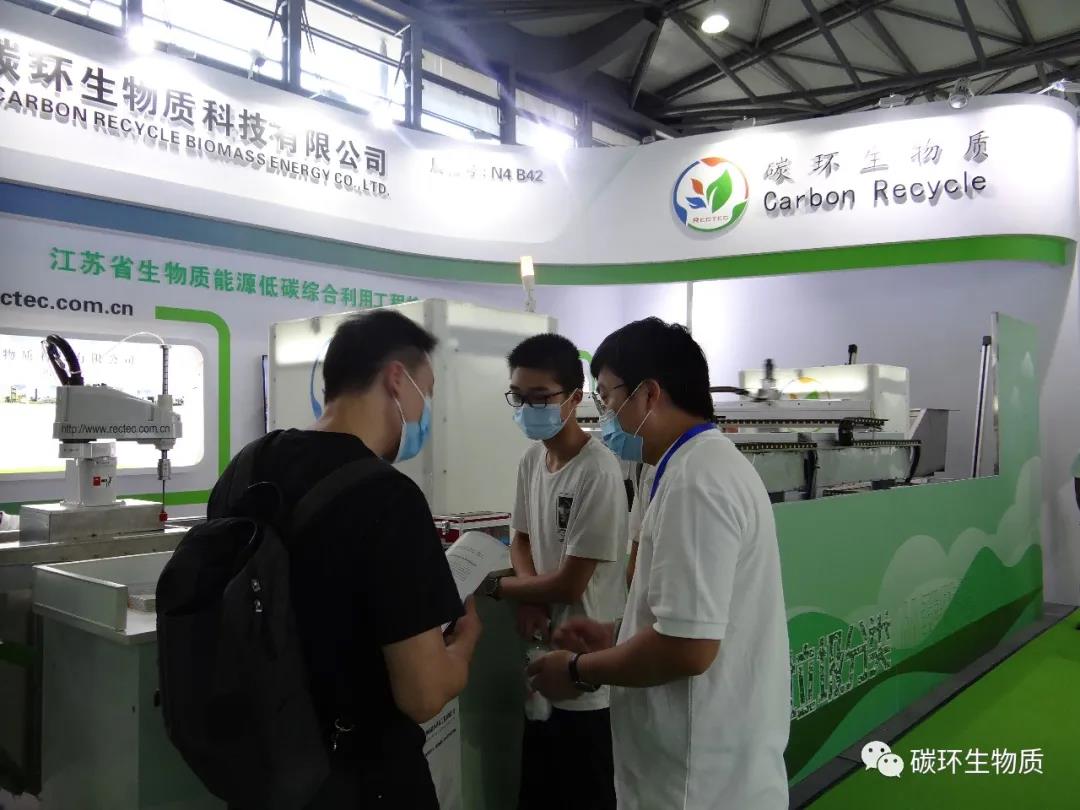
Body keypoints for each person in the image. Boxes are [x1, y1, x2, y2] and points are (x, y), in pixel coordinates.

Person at [207, 310, 481, 809]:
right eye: (426, 392)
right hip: (359, 777)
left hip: (259, 771)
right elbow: (422, 695)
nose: (424, 412)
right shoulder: (389, 498)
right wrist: (463, 648)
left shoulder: (245, 467)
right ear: (396, 380)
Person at [527, 317, 790, 810]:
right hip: (690, 764)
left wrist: (580, 671)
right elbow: (688, 618)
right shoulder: (674, 469)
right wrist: (618, 635)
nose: (604, 415)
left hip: (698, 781)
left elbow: (688, 649)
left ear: (648, 394)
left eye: (607, 398)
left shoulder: (697, 481)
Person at [486, 333, 627, 810]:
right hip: (542, 659)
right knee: (538, 790)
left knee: (585, 791)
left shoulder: (597, 471)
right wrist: (530, 595)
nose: (528, 408)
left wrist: (501, 588)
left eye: (540, 398)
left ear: (573, 397)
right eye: (519, 397)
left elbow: (571, 583)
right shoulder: (533, 459)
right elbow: (521, 538)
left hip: (586, 673)